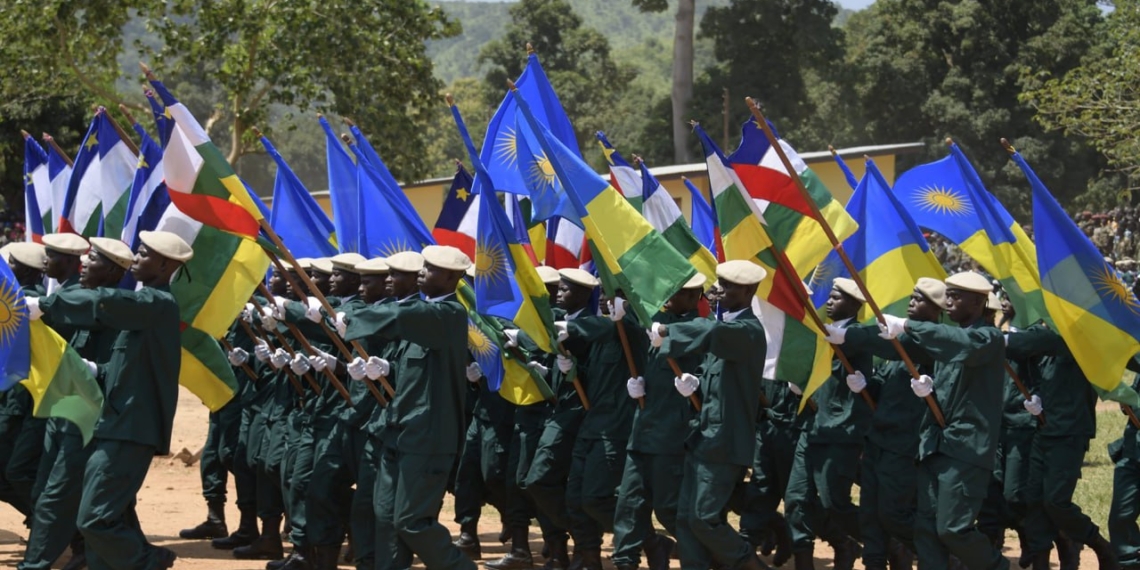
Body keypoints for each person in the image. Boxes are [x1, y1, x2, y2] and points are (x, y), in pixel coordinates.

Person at [27, 230, 191, 569]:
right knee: (105, 516)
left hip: (131, 427)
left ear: (164, 265)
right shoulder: (144, 308)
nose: (136, 258)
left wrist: (45, 305)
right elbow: (123, 370)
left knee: (95, 520)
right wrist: (95, 370)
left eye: (144, 254)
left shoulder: (157, 303)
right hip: (114, 423)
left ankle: (149, 560)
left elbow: (104, 302)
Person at [859, 271, 1009, 570]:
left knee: (953, 528)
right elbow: (902, 349)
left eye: (956, 296)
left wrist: (907, 325)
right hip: (934, 445)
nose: (948, 301)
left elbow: (963, 345)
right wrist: (929, 391)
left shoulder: (988, 337)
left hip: (965, 449)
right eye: (947, 295)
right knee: (926, 529)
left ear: (977, 302)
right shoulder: (947, 342)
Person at [344, 244, 477, 570]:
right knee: (385, 515)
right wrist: (383, 369)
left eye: (430, 269)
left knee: (411, 520)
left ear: (450, 278)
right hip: (397, 429)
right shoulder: (424, 313)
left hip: (428, 436)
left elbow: (401, 315)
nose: (422, 272)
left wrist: (350, 318)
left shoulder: (448, 314)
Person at [20, 237, 132, 570]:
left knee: (57, 494)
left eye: (93, 260)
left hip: (90, 414)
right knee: (60, 491)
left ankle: (35, 564)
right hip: (66, 409)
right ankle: (122, 553)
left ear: (112, 271)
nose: (84, 264)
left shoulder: (114, 308)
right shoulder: (85, 299)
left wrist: (94, 369)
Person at [825, 277, 946, 570]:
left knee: (894, 514)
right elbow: (887, 385)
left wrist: (848, 336)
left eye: (920, 299)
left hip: (904, 442)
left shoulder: (931, 340)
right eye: (913, 297)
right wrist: (866, 385)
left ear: (936, 310)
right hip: (878, 437)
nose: (912, 302)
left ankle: (944, 557)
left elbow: (891, 345)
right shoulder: (902, 345)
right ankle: (875, 562)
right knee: (870, 515)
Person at [656, 259, 768, 570]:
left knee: (704, 518)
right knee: (685, 518)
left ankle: (750, 564)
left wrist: (666, 329)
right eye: (717, 282)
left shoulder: (747, 330)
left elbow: (712, 331)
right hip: (703, 437)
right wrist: (693, 385)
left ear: (747, 291)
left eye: (726, 285)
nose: (716, 289)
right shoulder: (727, 327)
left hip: (725, 441)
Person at [610, 274, 706, 570]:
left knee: (668, 508)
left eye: (678, 293)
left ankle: (711, 557)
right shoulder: (658, 322)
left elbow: (710, 369)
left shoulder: (701, 327)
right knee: (628, 503)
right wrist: (639, 384)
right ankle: (625, 561)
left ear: (695, 297)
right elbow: (642, 343)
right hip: (643, 426)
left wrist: (697, 384)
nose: (669, 297)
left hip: (672, 434)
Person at [1008, 322, 1114, 570]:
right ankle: (1041, 561)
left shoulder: (1077, 338)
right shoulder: (1048, 338)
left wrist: (1004, 339)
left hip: (1071, 431)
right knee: (1034, 499)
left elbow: (1047, 344)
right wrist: (1036, 397)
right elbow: (1039, 373)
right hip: (1044, 428)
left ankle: (1099, 544)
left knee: (1056, 501)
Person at [786, 277, 874, 570]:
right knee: (796, 498)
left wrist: (864, 383)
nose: (830, 301)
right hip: (812, 427)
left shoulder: (857, 336)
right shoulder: (824, 333)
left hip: (841, 430)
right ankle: (806, 559)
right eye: (831, 296)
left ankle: (883, 542)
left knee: (834, 502)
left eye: (837, 297)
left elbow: (861, 346)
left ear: (854, 304)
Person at [522, 268, 598, 569]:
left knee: (543, 479)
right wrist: (551, 371)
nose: (560, 293)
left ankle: (585, 543)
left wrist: (576, 370)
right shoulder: (563, 321)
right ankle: (580, 540)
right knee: (539, 481)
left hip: (577, 412)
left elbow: (600, 372)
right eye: (561, 288)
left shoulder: (589, 325)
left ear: (583, 294)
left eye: (566, 289)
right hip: (558, 409)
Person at [0, 242, 47, 520]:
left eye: (11, 264)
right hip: (15, 398)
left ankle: (48, 522)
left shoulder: (25, 302)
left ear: (25, 271)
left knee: (11, 471)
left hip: (17, 400)